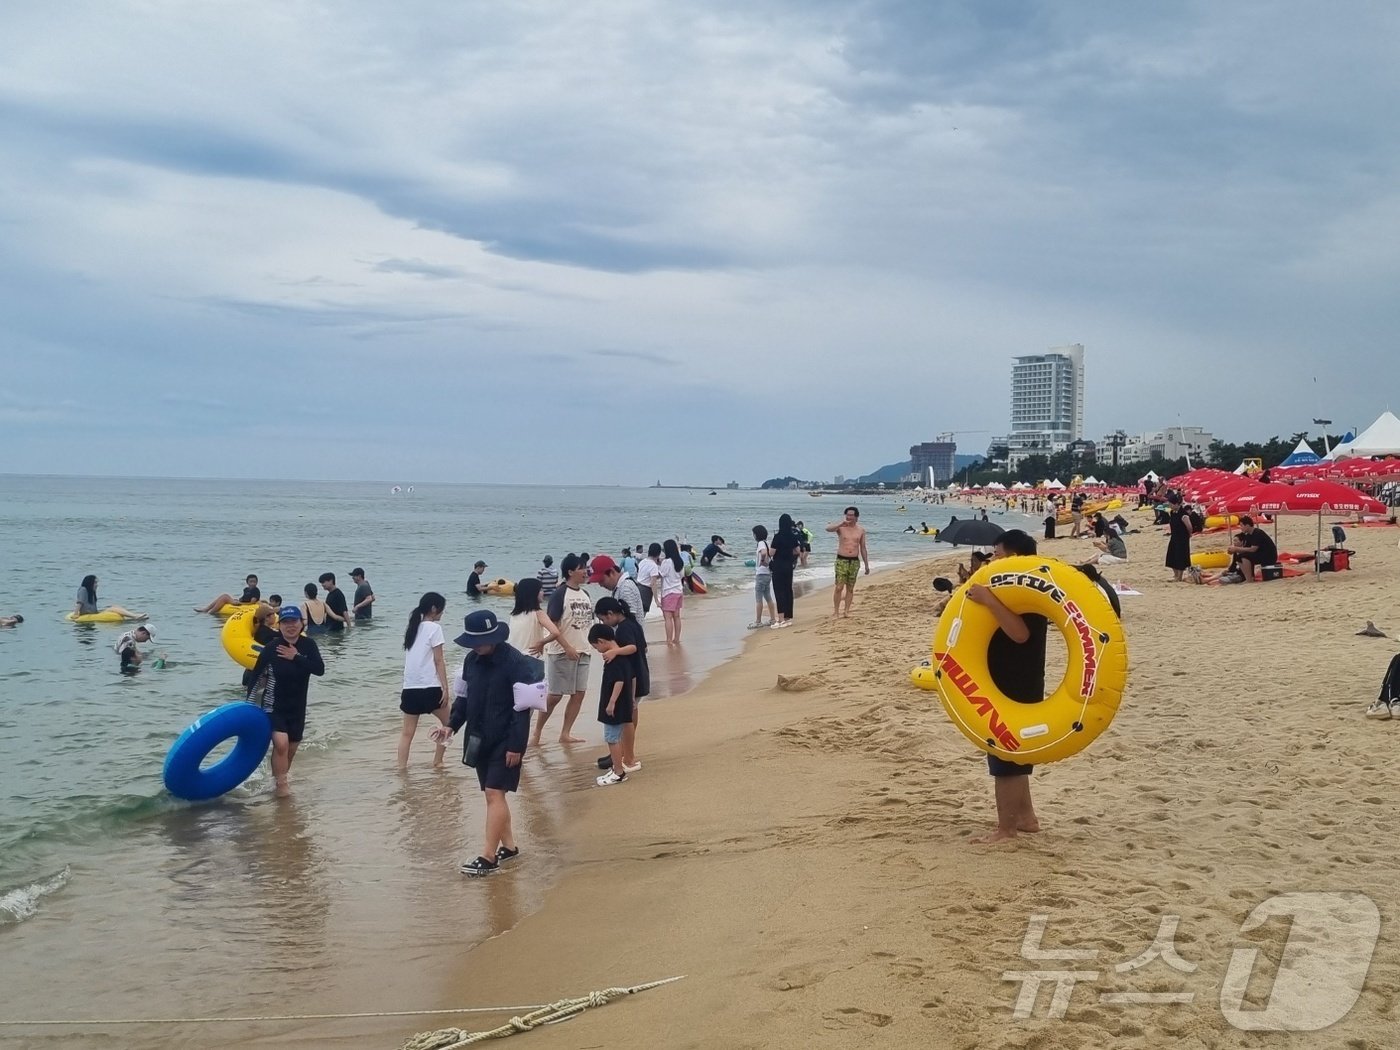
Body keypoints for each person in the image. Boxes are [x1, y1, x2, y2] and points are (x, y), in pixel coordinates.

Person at [433, 609, 543, 877]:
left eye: (481, 641)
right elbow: (464, 700)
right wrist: (450, 726)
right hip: (479, 738)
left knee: (494, 793)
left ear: (495, 637)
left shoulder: (515, 663)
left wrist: (516, 746)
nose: (476, 646)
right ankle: (509, 847)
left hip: (506, 739)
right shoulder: (471, 661)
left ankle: (488, 856)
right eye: (472, 642)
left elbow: (523, 709)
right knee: (493, 795)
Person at [965, 529, 1044, 843]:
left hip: (1015, 681)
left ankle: (1005, 830)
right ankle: (1025, 818)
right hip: (1016, 678)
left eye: (997, 554)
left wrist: (988, 599)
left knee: (1005, 755)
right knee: (1014, 755)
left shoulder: (1027, 591)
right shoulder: (1019, 586)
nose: (992, 560)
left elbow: (1020, 634)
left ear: (1014, 556)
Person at [246, 605, 325, 797]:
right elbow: (254, 677)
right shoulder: (271, 648)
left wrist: (296, 656)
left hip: (297, 708)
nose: (290, 626)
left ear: (301, 623)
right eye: (285, 622)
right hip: (274, 706)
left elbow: (319, 669)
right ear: (279, 625)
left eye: (294, 621)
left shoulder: (308, 645)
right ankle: (282, 787)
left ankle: (277, 782)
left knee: (290, 749)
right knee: (281, 744)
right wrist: (248, 707)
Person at [534, 553, 593, 745]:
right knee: (555, 696)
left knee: (579, 693)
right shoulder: (560, 594)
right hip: (561, 652)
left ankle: (565, 734)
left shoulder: (585, 595)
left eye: (585, 568)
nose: (585, 572)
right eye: (581, 568)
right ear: (570, 572)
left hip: (583, 651)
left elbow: (588, 623)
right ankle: (536, 733)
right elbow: (552, 625)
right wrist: (567, 647)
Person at [594, 595, 647, 773]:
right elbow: (643, 646)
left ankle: (628, 758)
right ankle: (622, 754)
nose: (605, 624)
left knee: (627, 718)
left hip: (632, 677)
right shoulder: (632, 623)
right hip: (637, 674)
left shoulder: (624, 628)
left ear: (610, 614)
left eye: (603, 620)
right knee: (629, 715)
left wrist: (615, 652)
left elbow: (633, 647)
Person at [397, 592, 450, 769]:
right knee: (449, 723)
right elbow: (438, 660)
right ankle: (438, 761)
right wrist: (445, 688)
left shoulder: (412, 628)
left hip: (409, 689)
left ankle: (401, 768)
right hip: (430, 688)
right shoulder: (434, 628)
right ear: (434, 609)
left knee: (407, 734)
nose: (442, 613)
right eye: (442, 609)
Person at [588, 623, 635, 785]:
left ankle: (618, 772)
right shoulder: (622, 656)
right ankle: (616, 768)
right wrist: (631, 699)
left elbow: (619, 681)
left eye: (596, 647)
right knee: (615, 737)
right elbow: (631, 678)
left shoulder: (613, 659)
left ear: (601, 641)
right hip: (623, 703)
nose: (598, 650)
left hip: (615, 706)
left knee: (612, 738)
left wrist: (611, 702)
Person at [507, 577, 572, 657]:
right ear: (533, 593)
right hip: (531, 656)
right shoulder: (538, 613)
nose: (543, 592)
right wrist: (541, 642)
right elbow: (555, 632)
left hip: (513, 656)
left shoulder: (514, 614)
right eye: (540, 590)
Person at [825, 505, 870, 618]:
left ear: (856, 517)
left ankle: (846, 611)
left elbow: (863, 548)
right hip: (842, 560)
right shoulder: (841, 528)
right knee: (839, 587)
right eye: (847, 515)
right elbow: (828, 529)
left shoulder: (861, 530)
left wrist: (866, 565)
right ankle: (836, 611)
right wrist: (841, 523)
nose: (849, 517)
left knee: (850, 588)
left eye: (851, 515)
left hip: (854, 561)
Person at [588, 555, 645, 624]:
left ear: (612, 572)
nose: (600, 585)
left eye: (602, 580)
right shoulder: (619, 587)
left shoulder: (626, 588)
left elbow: (630, 619)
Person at [769, 514, 801, 628]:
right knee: (788, 590)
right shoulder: (792, 536)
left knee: (779, 591)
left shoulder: (777, 536)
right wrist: (788, 552)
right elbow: (797, 550)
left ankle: (781, 618)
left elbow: (771, 553)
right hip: (788, 566)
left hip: (778, 566)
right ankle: (788, 617)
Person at [1227, 516, 1278, 582]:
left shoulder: (1257, 533)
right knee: (1239, 556)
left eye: (1242, 525)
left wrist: (1237, 548)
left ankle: (1249, 579)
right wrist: (1233, 551)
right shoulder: (1248, 535)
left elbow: (1253, 549)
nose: (1240, 527)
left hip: (1269, 556)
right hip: (1260, 554)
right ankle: (1248, 577)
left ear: (1247, 525)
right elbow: (1245, 549)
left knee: (1245, 557)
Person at [73, 575, 145, 621]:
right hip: (86, 615)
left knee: (115, 606)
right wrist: (75, 614)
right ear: (89, 583)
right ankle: (135, 616)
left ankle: (133, 615)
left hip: (94, 614)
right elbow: (79, 603)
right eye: (95, 583)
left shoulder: (91, 592)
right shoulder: (83, 589)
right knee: (113, 609)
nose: (97, 585)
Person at [658, 539, 686, 644]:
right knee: (677, 617)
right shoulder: (679, 561)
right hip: (678, 591)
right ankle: (676, 639)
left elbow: (661, 574)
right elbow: (682, 575)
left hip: (668, 592)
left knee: (668, 618)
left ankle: (669, 640)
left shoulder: (667, 562)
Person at [750, 524, 776, 629]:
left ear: (756, 534)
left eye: (754, 534)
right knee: (768, 597)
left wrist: (761, 560)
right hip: (768, 573)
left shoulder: (760, 543)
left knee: (759, 598)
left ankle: (758, 621)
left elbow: (764, 552)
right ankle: (772, 619)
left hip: (761, 574)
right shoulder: (767, 542)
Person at [1163, 493, 1194, 581]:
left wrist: (1189, 534)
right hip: (1174, 536)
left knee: (1181, 556)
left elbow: (1189, 526)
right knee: (1171, 555)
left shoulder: (1183, 514)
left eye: (1171, 504)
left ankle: (1179, 576)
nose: (1170, 506)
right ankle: (1175, 574)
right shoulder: (1172, 512)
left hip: (1182, 537)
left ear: (1176, 504)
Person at [194, 574, 260, 615]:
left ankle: (210, 612)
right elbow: (244, 598)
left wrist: (240, 603)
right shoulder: (246, 589)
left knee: (225, 597)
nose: (253, 583)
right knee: (224, 596)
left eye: (254, 582)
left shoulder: (255, 590)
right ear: (247, 582)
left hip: (243, 605)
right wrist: (239, 600)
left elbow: (251, 602)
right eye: (251, 582)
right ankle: (207, 609)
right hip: (241, 603)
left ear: (257, 582)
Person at [636, 543, 662, 616]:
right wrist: (656, 601)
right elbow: (653, 584)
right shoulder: (653, 566)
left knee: (637, 615)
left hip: (637, 588)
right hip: (646, 592)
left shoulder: (642, 562)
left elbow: (643, 575)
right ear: (658, 554)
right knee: (641, 616)